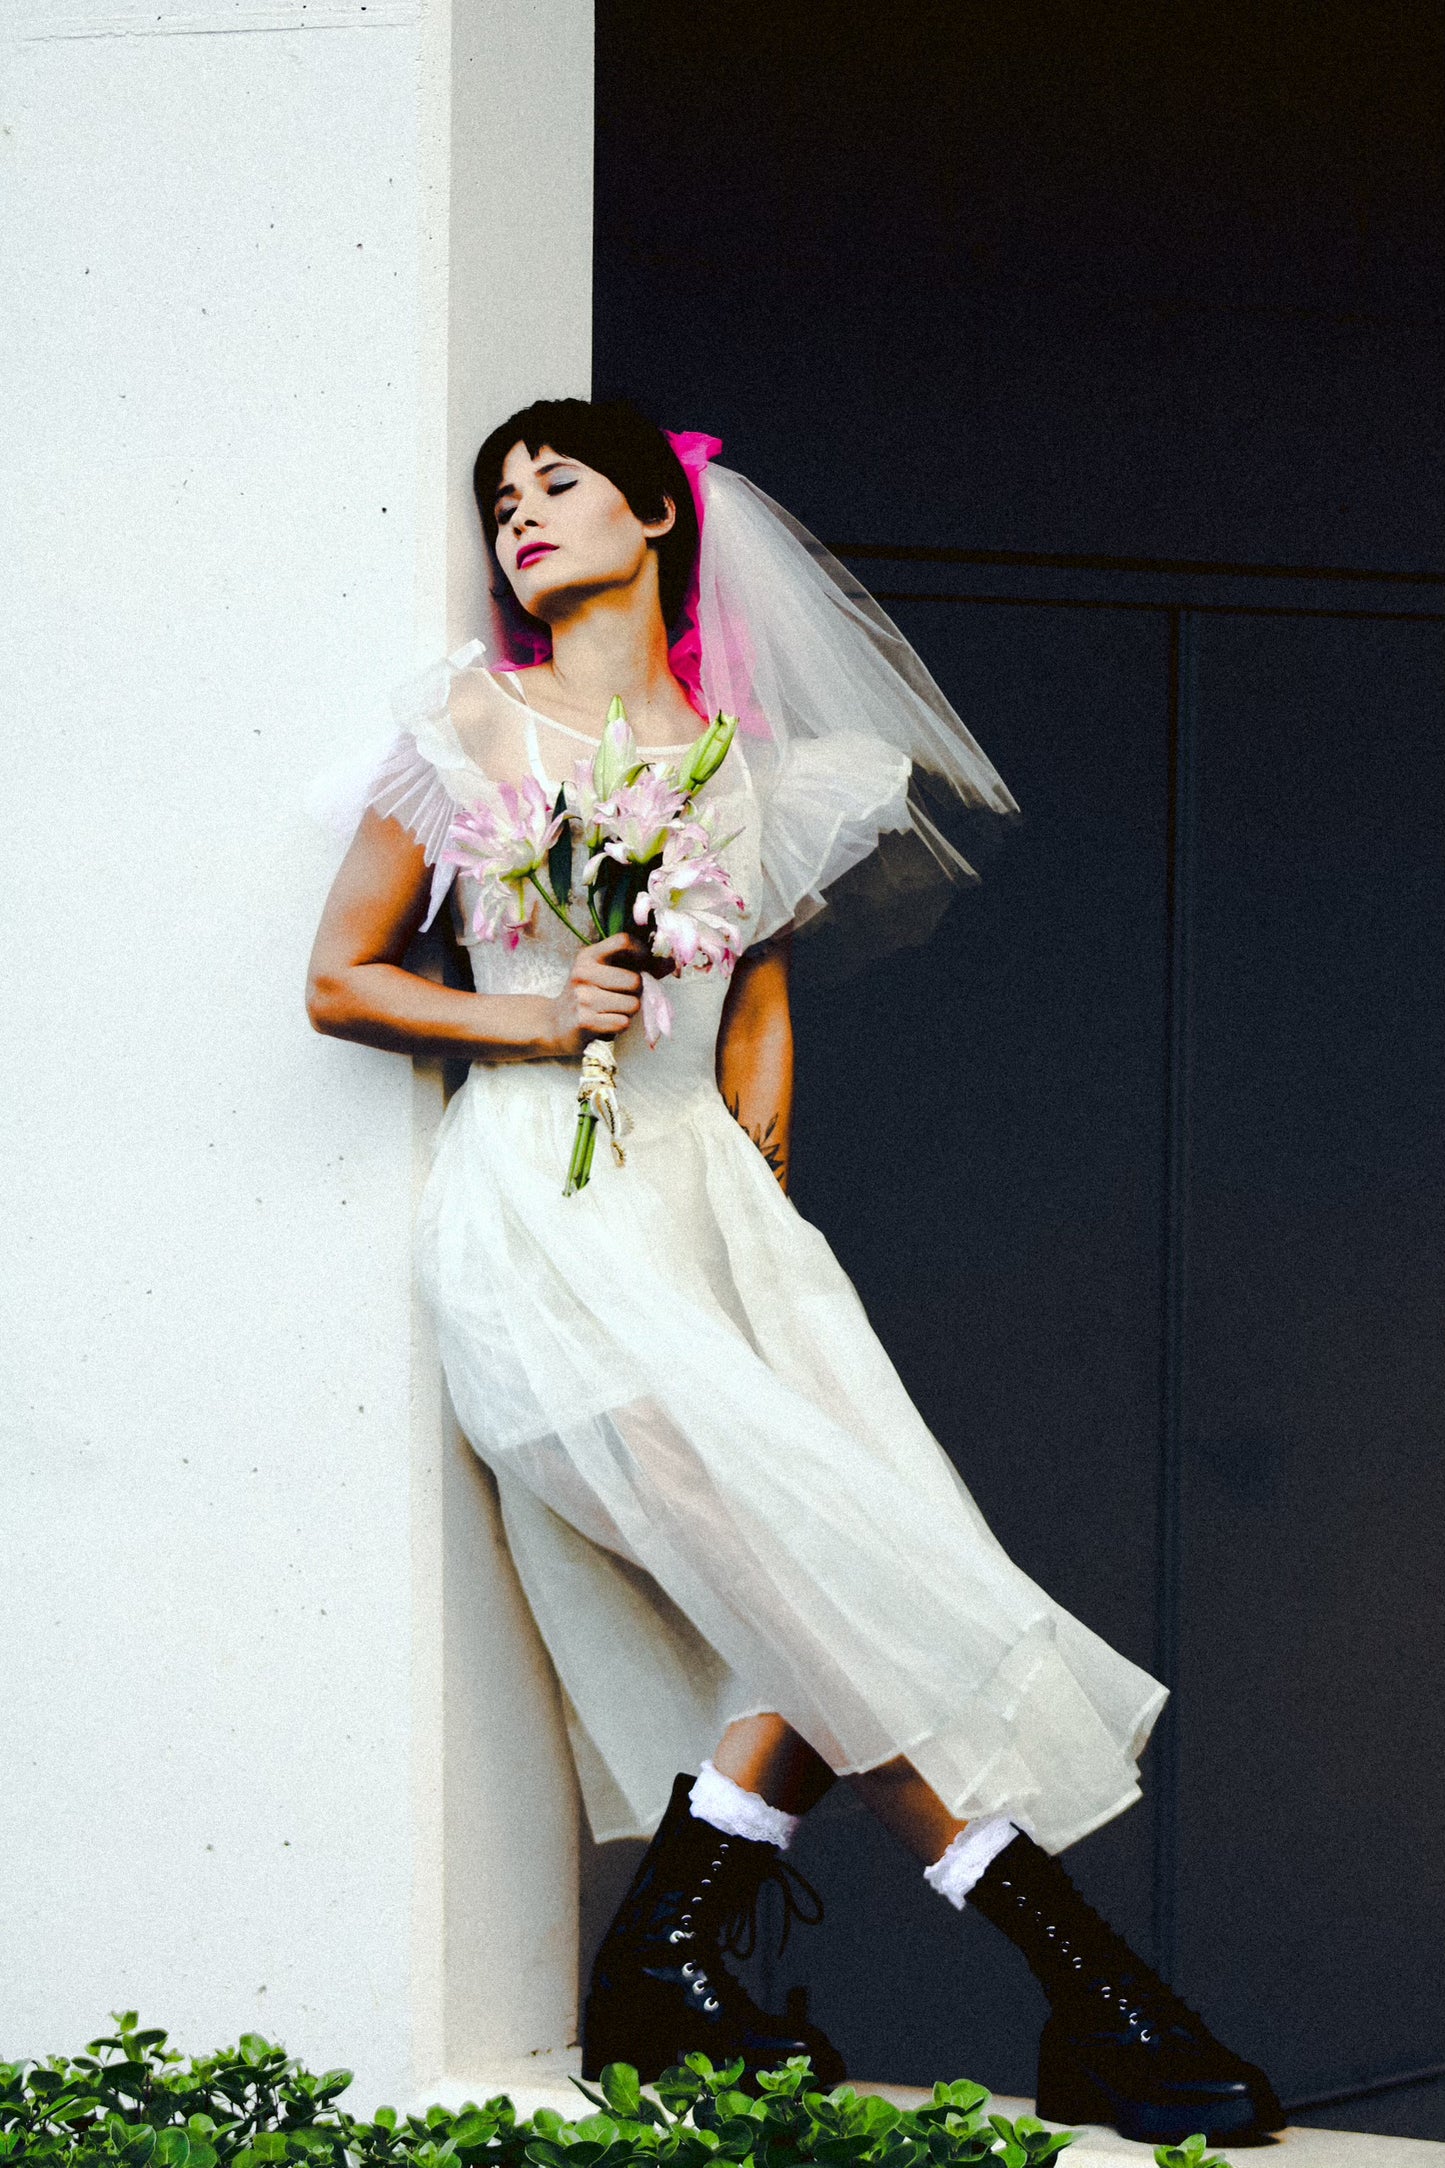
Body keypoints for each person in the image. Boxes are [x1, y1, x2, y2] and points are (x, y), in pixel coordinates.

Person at [306, 398, 1280, 2147]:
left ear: (658, 518)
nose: (520, 514)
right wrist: (534, 1018)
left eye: (560, 485)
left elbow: (747, 988)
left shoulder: (735, 765)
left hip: (711, 1216)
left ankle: (670, 1955)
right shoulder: (471, 723)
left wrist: (758, 1156)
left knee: (844, 1562)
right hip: (544, 1206)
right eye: (501, 495)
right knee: (804, 1576)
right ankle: (1082, 1983)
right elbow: (340, 981)